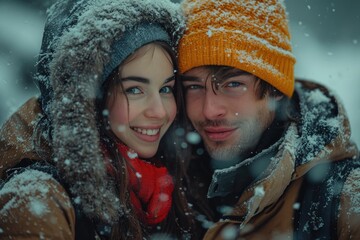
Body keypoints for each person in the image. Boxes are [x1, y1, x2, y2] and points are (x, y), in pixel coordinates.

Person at [0, 0, 196, 239]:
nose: (160, 111)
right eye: (134, 90)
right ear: (87, 101)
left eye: (166, 89)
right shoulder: (35, 199)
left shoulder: (177, 184)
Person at [177, 0, 360, 239]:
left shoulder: (344, 201)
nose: (210, 110)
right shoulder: (165, 183)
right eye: (194, 86)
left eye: (233, 84)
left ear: (274, 89)